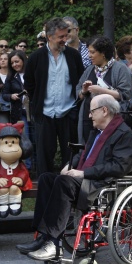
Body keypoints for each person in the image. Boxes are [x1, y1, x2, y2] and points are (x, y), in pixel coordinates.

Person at [16, 94, 132, 260]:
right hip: (86, 179)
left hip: (101, 184)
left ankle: (53, 243)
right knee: (46, 178)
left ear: (104, 110)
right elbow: (84, 153)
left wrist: (83, 173)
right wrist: (69, 165)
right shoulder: (97, 132)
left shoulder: (124, 134)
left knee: (63, 182)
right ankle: (43, 237)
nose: (89, 115)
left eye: (92, 111)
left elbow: (119, 167)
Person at [24, 17, 84, 176]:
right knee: (45, 158)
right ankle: (46, 192)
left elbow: (79, 80)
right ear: (49, 37)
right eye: (61, 37)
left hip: (68, 112)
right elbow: (29, 83)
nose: (65, 39)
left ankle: (68, 193)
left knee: (70, 156)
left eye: (66, 35)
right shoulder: (36, 57)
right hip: (45, 114)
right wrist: (37, 101)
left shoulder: (73, 56)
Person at [76, 35, 132, 143]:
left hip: (110, 121)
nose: (89, 56)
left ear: (103, 53)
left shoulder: (120, 69)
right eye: (88, 52)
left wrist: (101, 90)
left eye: (92, 52)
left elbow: (125, 94)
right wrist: (84, 90)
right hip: (88, 120)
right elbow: (78, 92)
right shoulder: (89, 70)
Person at [1, 50, 27, 124]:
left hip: (33, 110)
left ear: (23, 60)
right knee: (24, 134)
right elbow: (4, 94)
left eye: (17, 61)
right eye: (12, 63)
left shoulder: (32, 73)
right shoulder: (11, 76)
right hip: (19, 111)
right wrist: (11, 96)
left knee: (36, 134)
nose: (14, 65)